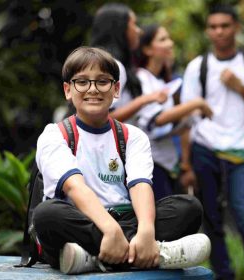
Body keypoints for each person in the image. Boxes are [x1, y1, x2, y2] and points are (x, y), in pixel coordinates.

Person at [32, 47, 211, 275]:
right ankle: (156, 254)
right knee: (47, 215)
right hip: (79, 220)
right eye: (82, 82)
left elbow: (140, 185)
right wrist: (109, 230)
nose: (93, 89)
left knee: (189, 207)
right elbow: (74, 186)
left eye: (102, 82)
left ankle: (92, 258)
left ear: (116, 89)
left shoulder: (132, 136)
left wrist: (146, 230)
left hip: (123, 219)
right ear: (68, 90)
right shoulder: (55, 134)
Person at [180, 4, 244, 280]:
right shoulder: (199, 66)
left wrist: (241, 88)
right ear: (208, 30)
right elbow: (186, 117)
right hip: (205, 149)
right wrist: (186, 162)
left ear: (236, 28)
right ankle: (224, 274)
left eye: (225, 26)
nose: (219, 32)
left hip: (243, 151)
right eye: (213, 27)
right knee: (211, 219)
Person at [135, 24, 213, 200]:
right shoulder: (141, 79)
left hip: (168, 163)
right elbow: (157, 120)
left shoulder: (162, 81)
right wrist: (196, 103)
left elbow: (165, 127)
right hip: (151, 163)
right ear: (147, 49)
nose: (170, 44)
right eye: (163, 39)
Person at [90, 3, 168, 124]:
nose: (139, 31)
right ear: (120, 29)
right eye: (134, 24)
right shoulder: (112, 66)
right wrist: (145, 100)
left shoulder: (98, 63)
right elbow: (101, 119)